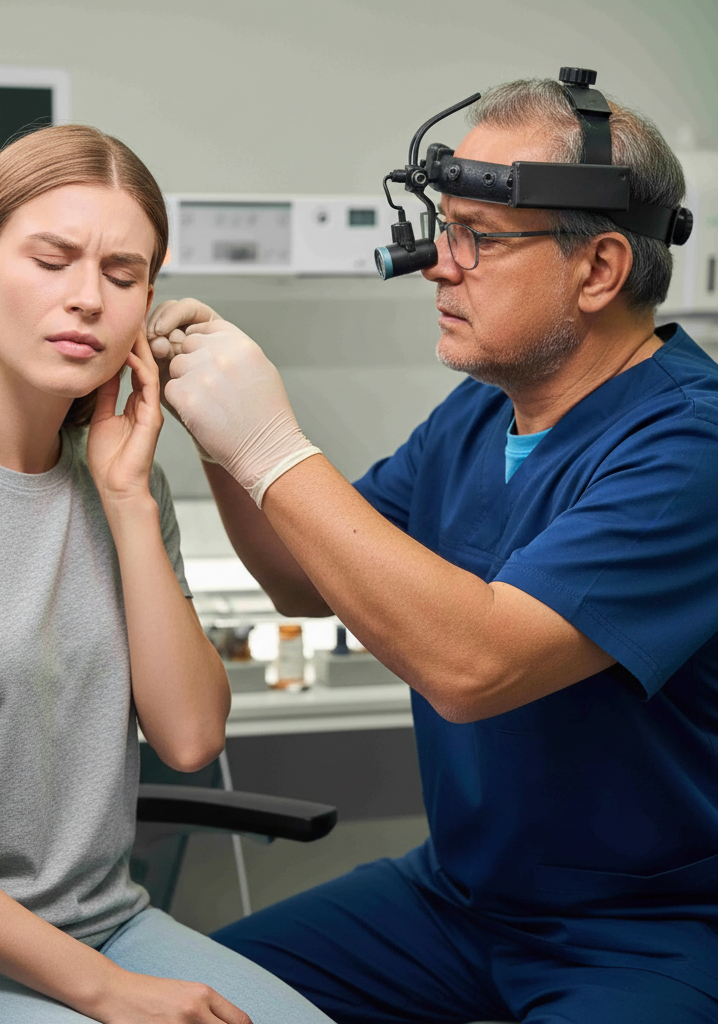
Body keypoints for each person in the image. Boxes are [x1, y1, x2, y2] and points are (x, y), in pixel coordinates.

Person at [146, 78, 718, 1023]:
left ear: (601, 267)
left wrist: (272, 447)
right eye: (441, 228)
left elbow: (473, 663)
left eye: (479, 239)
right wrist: (219, 438)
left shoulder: (688, 448)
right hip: (456, 901)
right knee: (184, 1004)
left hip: (645, 931)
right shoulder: (481, 413)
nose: (437, 266)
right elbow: (299, 579)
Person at [0, 124, 334, 1024]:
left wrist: (125, 502)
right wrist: (108, 995)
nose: (87, 298)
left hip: (105, 927)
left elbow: (191, 738)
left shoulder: (125, 480)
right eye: (53, 261)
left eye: (122, 276)